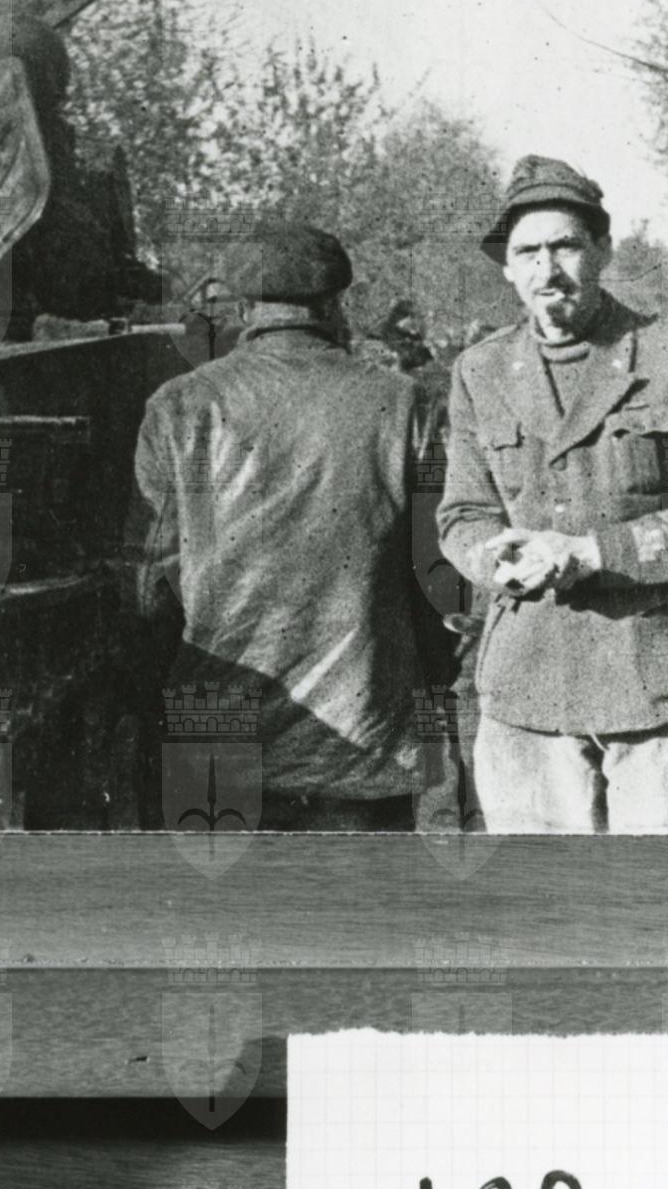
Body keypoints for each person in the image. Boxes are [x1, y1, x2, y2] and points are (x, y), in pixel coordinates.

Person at [438, 154, 668, 833]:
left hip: (666, 679)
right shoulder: (480, 370)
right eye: (526, 253)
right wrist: (491, 557)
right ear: (506, 267)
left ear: (603, 250)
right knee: (544, 891)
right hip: (529, 683)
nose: (546, 269)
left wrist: (590, 552)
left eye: (565, 246)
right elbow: (463, 513)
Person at [130, 221, 459, 831]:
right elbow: (441, 577)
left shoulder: (180, 405)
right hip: (368, 746)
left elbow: (152, 587)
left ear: (243, 309)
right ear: (336, 306)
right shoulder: (406, 402)